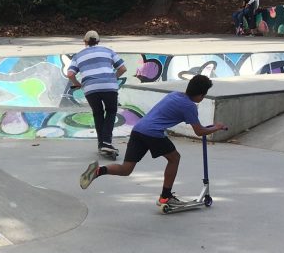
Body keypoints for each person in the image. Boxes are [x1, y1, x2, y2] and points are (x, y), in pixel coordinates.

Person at [79, 74, 228, 207]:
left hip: (138, 129)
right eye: (203, 95)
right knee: (174, 158)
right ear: (200, 95)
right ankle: (165, 196)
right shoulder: (189, 106)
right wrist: (217, 127)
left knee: (126, 169)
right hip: (153, 133)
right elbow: (199, 131)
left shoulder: (174, 95)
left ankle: (98, 171)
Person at [67, 30, 127, 158]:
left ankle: (102, 144)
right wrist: (113, 78)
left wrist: (78, 84)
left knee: (98, 113)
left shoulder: (78, 56)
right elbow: (123, 68)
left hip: (90, 88)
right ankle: (106, 142)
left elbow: (70, 74)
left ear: (85, 42)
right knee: (111, 111)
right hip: (109, 86)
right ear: (98, 41)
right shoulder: (108, 51)